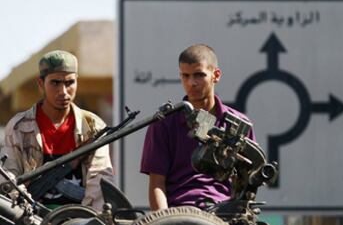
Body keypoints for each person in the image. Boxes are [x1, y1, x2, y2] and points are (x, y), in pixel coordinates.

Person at [141, 44, 255, 211]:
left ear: (216, 75)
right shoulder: (163, 123)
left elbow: (248, 186)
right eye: (185, 76)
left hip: (225, 216)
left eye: (199, 75)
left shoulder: (239, 125)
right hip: (178, 213)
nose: (191, 83)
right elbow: (157, 184)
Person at [1, 50, 114, 211]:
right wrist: (25, 212)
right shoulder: (19, 126)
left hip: (79, 223)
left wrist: (87, 222)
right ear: (41, 84)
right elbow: (9, 177)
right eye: (55, 83)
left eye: (69, 83)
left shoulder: (93, 127)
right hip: (29, 222)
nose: (63, 92)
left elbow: (100, 180)